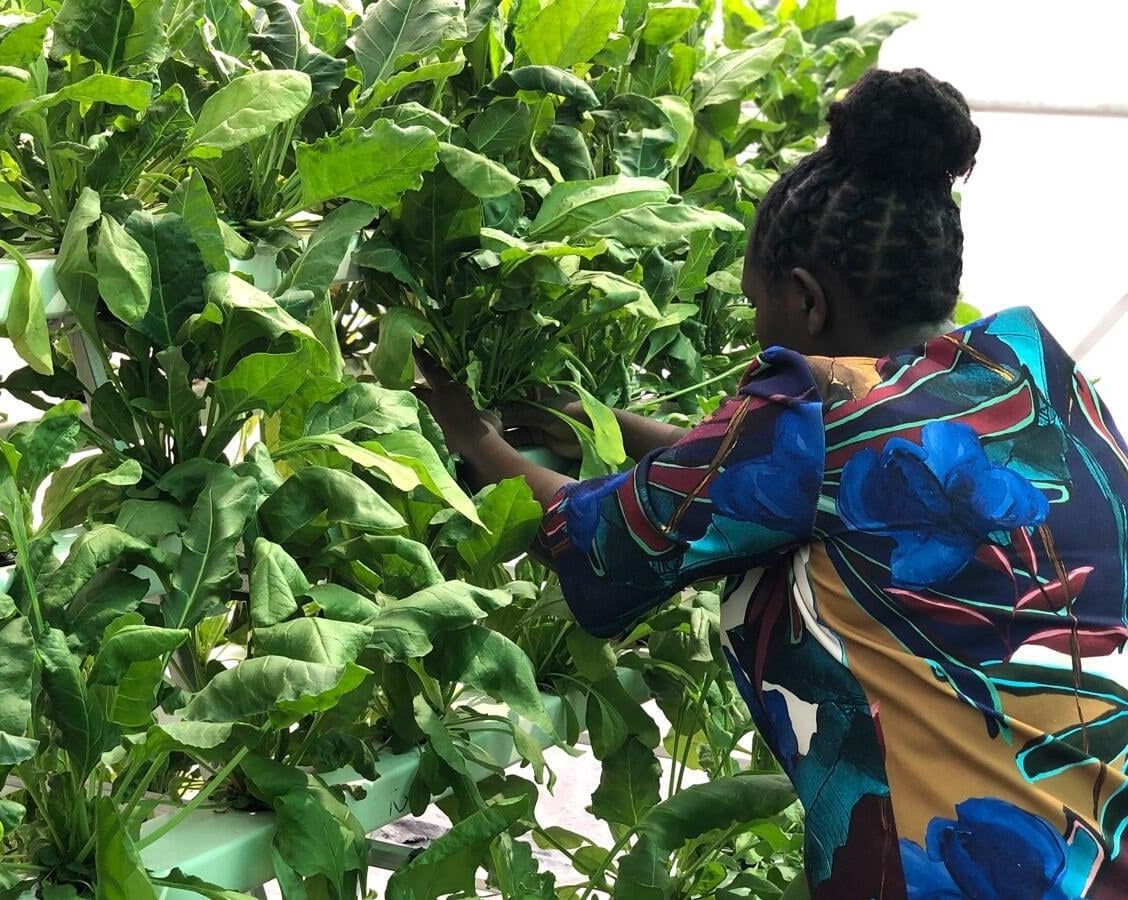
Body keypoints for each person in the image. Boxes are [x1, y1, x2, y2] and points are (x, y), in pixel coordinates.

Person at [419, 67, 1128, 897]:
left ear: (805, 301)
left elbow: (602, 538)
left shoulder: (814, 410)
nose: (758, 333)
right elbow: (793, 479)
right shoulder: (1028, 368)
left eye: (760, 306)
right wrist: (588, 422)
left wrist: (469, 435)